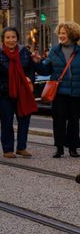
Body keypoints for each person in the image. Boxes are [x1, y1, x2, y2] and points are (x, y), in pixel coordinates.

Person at [0, 27, 37, 158]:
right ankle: (8, 149)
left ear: (17, 38)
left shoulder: (24, 52)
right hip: (4, 93)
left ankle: (21, 147)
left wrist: (29, 78)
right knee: (7, 121)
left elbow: (31, 69)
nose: (11, 40)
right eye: (8, 37)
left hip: (22, 91)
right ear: (3, 39)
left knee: (24, 119)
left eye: (13, 37)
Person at [34, 22, 80, 158]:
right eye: (60, 33)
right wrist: (38, 62)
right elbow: (46, 69)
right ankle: (59, 148)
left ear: (72, 34)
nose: (61, 35)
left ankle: (73, 148)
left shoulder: (79, 51)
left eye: (64, 33)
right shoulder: (55, 51)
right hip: (59, 92)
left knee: (74, 120)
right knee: (59, 120)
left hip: (76, 92)